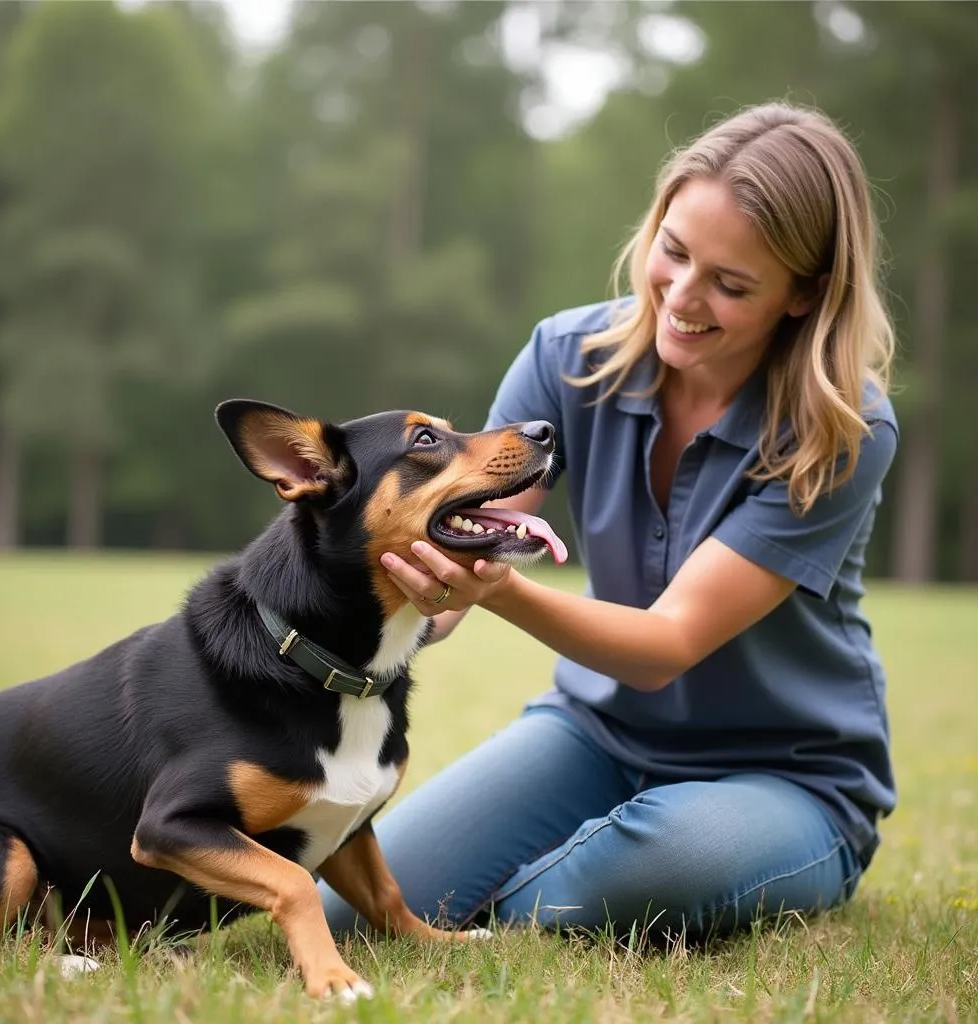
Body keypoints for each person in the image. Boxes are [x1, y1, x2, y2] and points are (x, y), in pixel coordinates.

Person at [320, 102, 899, 941]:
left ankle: (547, 893)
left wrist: (495, 590)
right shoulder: (564, 358)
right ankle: (540, 879)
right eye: (673, 251)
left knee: (602, 891)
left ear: (804, 294)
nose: (683, 297)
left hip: (787, 775)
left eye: (731, 285)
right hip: (595, 735)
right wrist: (410, 591)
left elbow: (666, 647)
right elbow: (466, 543)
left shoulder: (842, 429)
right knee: (352, 907)